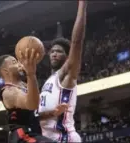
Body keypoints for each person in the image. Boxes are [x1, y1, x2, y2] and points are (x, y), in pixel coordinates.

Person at [38, 0, 87, 142]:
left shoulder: (66, 76)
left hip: (64, 139)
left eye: (59, 51)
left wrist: (82, 5)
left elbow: (77, 42)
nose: (54, 54)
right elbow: (40, 115)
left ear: (67, 57)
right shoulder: (48, 81)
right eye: (52, 51)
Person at [0, 49, 53, 143]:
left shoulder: (25, 85)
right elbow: (32, 104)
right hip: (22, 136)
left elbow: (32, 113)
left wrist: (52, 113)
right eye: (14, 62)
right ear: (6, 71)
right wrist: (31, 74)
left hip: (33, 134)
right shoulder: (9, 92)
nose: (20, 65)